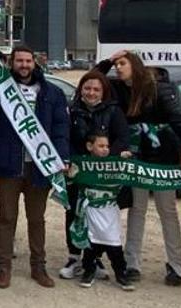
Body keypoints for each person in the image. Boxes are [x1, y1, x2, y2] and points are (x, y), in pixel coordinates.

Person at [92, 50, 181, 287]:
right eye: (116, 64)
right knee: (136, 209)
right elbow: (93, 78)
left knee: (167, 211)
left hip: (163, 157)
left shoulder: (158, 88)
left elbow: (177, 119)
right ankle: (132, 263)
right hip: (136, 156)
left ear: (135, 65)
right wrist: (107, 61)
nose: (118, 68)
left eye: (122, 63)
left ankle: (176, 265)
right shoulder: (119, 88)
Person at [0, 46, 70, 289]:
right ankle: (4, 267)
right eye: (19, 61)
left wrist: (62, 157)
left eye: (28, 61)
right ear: (11, 63)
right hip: (9, 165)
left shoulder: (52, 92)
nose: (24, 65)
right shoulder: (1, 89)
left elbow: (61, 128)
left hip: (40, 166)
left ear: (35, 62)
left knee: (36, 219)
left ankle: (38, 267)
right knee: (7, 218)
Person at [60, 70, 128, 281]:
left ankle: (94, 258)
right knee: (74, 212)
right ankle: (74, 257)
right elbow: (64, 137)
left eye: (96, 89)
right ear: (81, 89)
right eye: (87, 88)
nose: (91, 92)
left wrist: (107, 158)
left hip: (103, 176)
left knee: (100, 215)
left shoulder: (114, 111)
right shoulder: (71, 110)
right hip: (77, 171)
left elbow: (122, 138)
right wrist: (70, 158)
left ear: (103, 92)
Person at [72, 129, 135, 291]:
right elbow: (71, 176)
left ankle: (121, 273)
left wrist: (125, 161)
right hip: (91, 210)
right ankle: (89, 270)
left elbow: (128, 174)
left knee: (114, 244)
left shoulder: (115, 164)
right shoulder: (82, 163)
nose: (105, 149)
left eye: (107, 146)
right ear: (89, 146)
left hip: (110, 210)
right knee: (91, 244)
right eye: (100, 146)